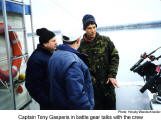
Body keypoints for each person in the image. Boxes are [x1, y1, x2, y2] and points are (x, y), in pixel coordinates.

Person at [78, 14, 119, 110]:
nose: (92, 31)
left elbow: (115, 56)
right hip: (92, 89)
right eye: (89, 28)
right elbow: (79, 66)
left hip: (108, 86)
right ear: (84, 29)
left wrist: (112, 75)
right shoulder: (80, 46)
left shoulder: (105, 40)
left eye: (94, 27)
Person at [48, 32, 94, 110]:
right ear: (78, 40)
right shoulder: (74, 63)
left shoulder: (55, 55)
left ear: (63, 39)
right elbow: (77, 96)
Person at [25, 28, 57, 110]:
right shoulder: (36, 59)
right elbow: (31, 85)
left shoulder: (50, 54)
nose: (56, 43)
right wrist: (47, 102)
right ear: (45, 43)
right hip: (49, 104)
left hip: (56, 99)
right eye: (53, 41)